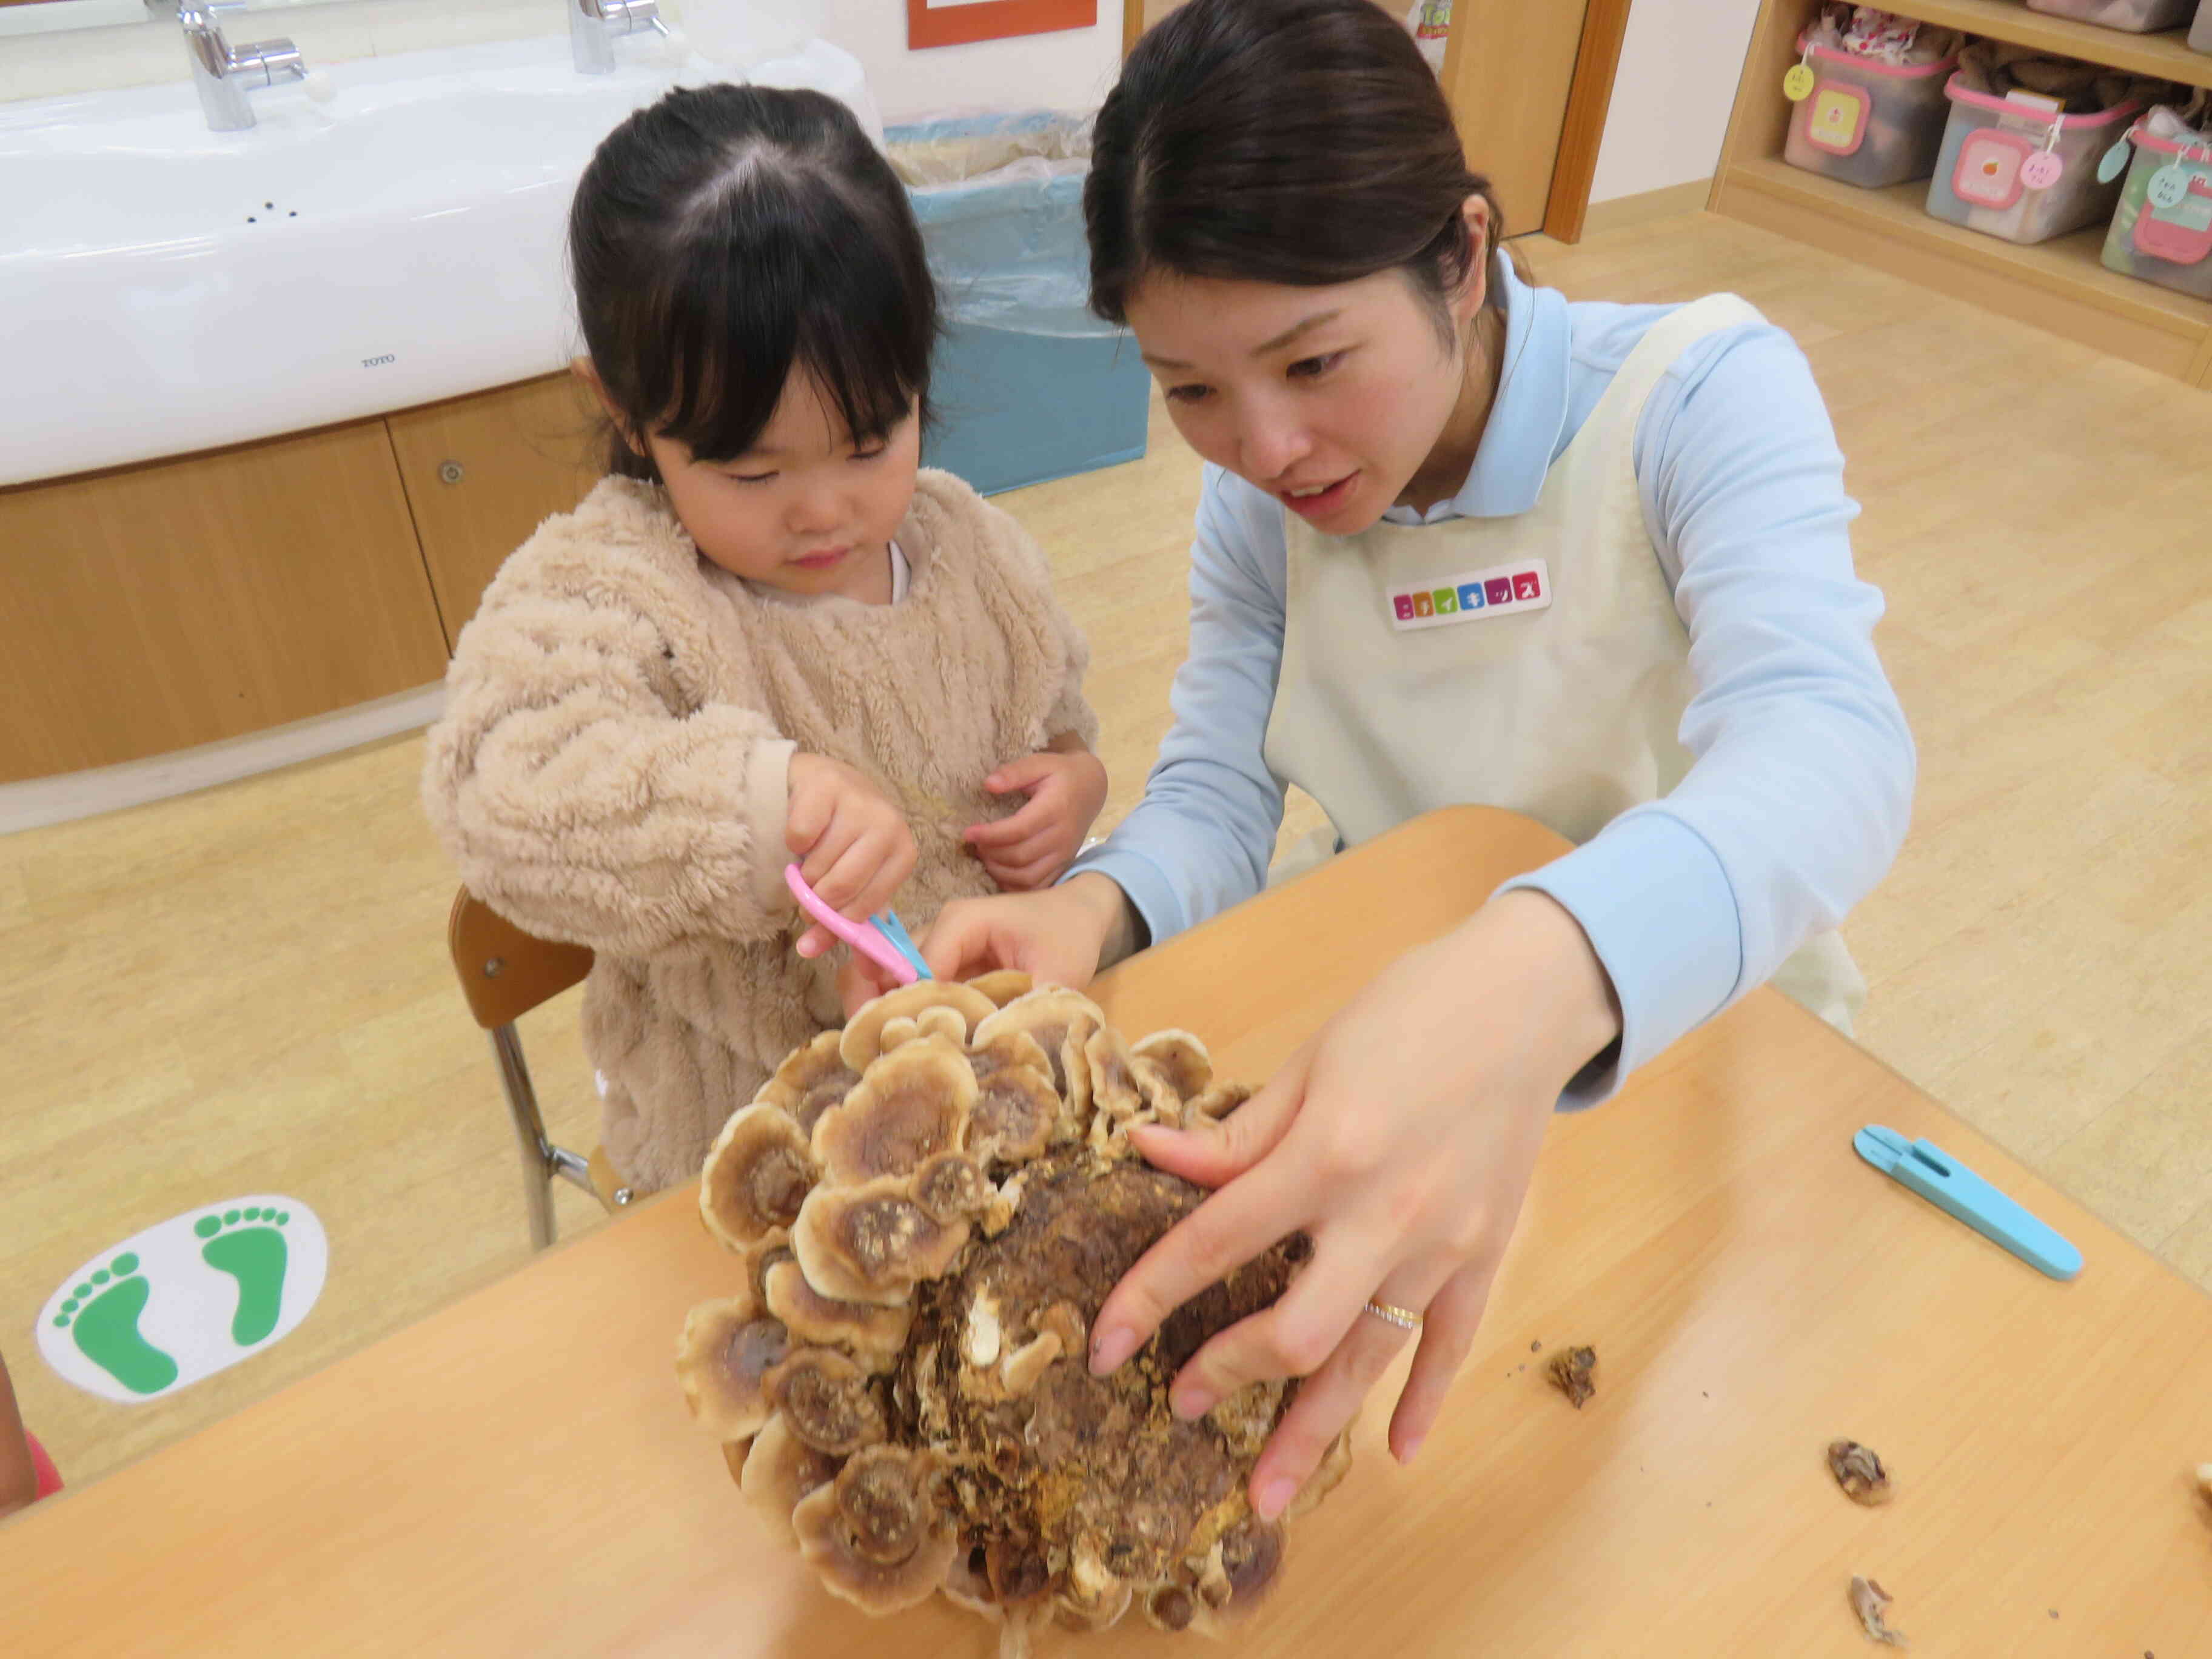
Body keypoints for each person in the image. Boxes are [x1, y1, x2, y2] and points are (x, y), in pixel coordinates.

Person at [854, 0, 1914, 1523]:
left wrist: (1548, 958)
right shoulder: (1258, 513)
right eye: (1194, 391)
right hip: (1384, 1068)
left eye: (1313, 359)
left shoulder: (1693, 400)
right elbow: (1221, 791)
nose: (1269, 447)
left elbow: (1835, 748)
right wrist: (1094, 913)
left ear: (1463, 257)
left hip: (1691, 1040)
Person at [423, 84, 1107, 1193]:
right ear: (626, 406)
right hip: (750, 1156)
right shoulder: (616, 586)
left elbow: (1062, 722)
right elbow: (501, 790)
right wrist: (763, 805)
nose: (825, 511)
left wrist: (1075, 785)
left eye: (870, 441)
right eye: (752, 472)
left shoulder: (973, 551)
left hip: (991, 1108)